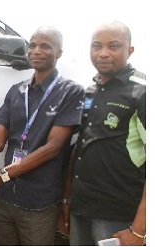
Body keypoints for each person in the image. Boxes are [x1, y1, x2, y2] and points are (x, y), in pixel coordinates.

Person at [0, 26, 85, 245]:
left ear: (59, 53)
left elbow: (53, 148)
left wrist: (1, 175)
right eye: (32, 45)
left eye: (45, 46)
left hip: (39, 204)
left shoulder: (71, 92)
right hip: (7, 199)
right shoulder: (17, 91)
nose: (36, 51)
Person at [59, 21, 146, 246]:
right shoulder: (90, 91)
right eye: (96, 46)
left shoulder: (142, 92)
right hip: (81, 209)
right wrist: (67, 200)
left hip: (119, 217)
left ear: (130, 50)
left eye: (113, 46)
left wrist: (139, 230)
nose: (103, 53)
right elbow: (78, 149)